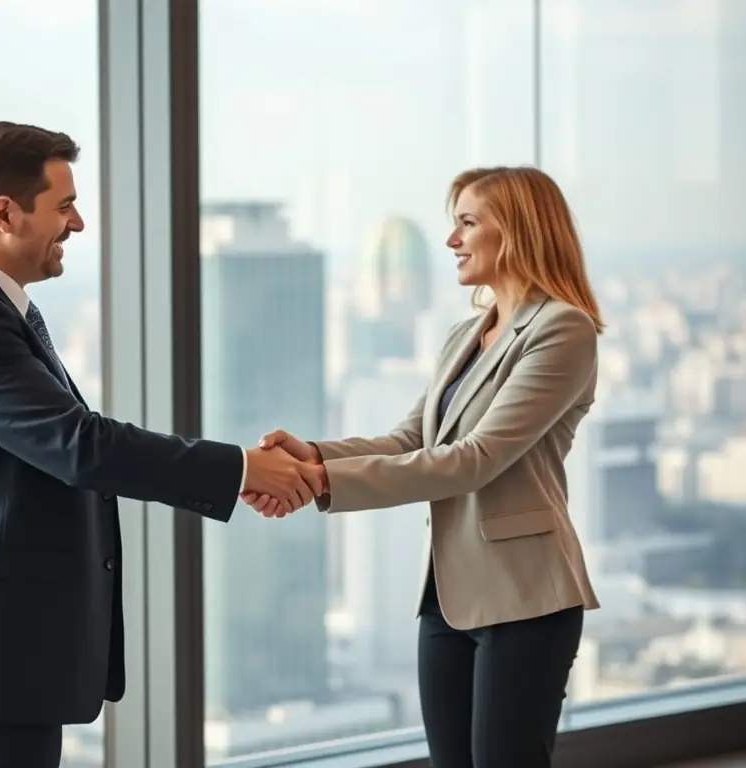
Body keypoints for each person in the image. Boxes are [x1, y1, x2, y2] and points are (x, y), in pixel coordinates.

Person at [0, 120, 324, 767]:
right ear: (4, 214)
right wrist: (241, 468)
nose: (78, 223)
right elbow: (79, 446)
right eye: (64, 206)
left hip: (1, 659)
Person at [243, 165, 603, 767]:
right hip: (446, 594)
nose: (452, 240)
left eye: (468, 223)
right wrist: (316, 455)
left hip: (525, 600)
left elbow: (474, 460)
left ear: (517, 230)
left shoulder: (563, 329)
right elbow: (411, 438)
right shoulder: (465, 335)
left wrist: (321, 484)